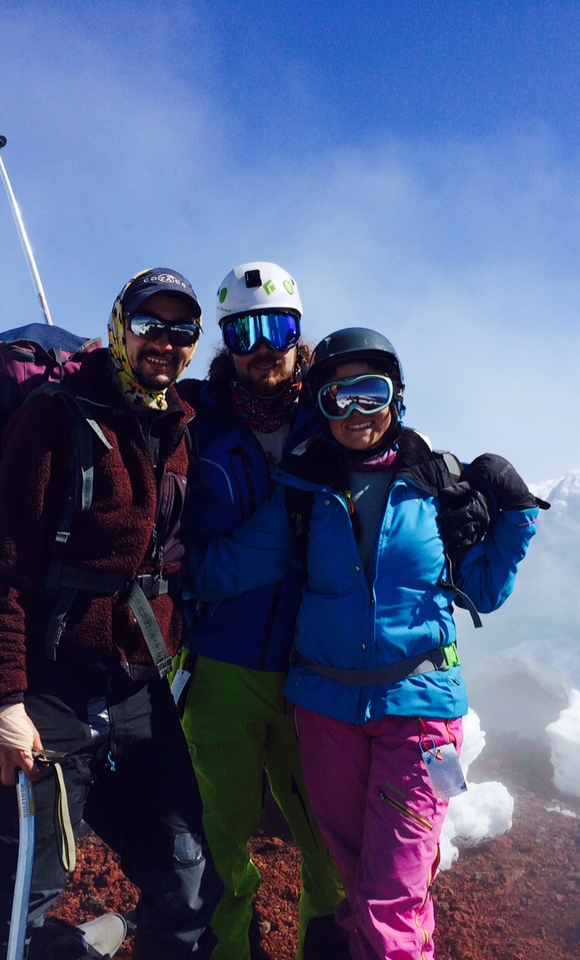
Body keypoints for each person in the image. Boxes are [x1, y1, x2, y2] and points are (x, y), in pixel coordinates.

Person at [188, 328, 541, 960]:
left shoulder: (438, 484)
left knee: (390, 901)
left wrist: (516, 515)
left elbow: (483, 590)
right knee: (356, 885)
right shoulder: (303, 492)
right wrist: (147, 560)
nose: (356, 412)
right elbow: (227, 568)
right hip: (327, 718)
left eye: (370, 393)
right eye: (337, 397)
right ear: (318, 406)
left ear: (397, 397)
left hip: (421, 716)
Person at [0, 268, 223, 960]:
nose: (165, 341)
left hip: (137, 691)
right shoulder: (56, 417)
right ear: (120, 328)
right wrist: (1, 703)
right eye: (150, 324)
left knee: (187, 882)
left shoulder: (180, 425)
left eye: (182, 329)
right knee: (16, 898)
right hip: (49, 688)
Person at [175, 262, 349, 960]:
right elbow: (182, 554)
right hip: (223, 666)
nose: (263, 347)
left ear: (298, 333)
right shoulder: (193, 425)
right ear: (226, 341)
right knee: (218, 847)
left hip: (315, 669)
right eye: (244, 332)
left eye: (277, 327)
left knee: (332, 844)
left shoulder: (334, 418)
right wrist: (286, 533)